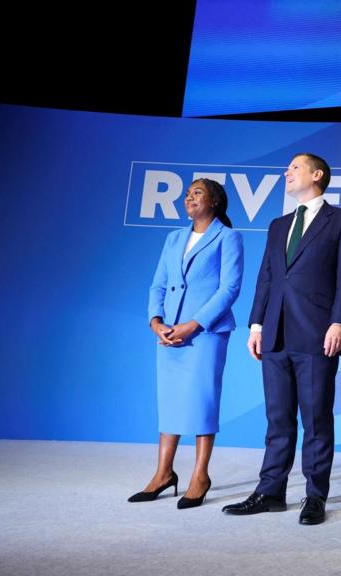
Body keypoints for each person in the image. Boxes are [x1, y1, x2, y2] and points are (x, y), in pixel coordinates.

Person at [221, 154, 341, 525]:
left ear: (317, 175)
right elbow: (267, 276)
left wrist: (340, 323)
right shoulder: (278, 224)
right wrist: (256, 325)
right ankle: (270, 491)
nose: (287, 172)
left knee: (316, 419)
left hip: (317, 333)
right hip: (275, 335)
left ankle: (315, 496)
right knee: (277, 418)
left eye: (295, 167)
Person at [130, 178, 244, 509]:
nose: (189, 198)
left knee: (201, 401)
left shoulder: (228, 237)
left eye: (197, 193)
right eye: (187, 194)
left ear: (216, 202)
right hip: (169, 333)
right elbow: (158, 285)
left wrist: (193, 325)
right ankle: (163, 474)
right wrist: (156, 322)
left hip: (205, 333)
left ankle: (200, 476)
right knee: (170, 401)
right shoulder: (174, 238)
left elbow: (229, 288)